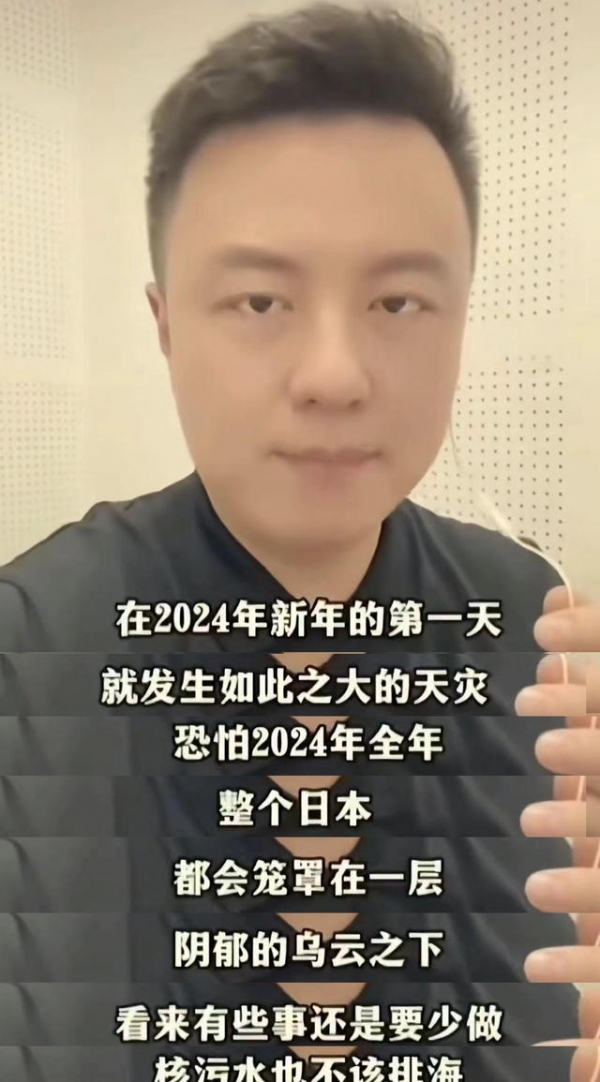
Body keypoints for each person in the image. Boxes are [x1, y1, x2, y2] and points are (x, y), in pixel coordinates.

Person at [0, 3, 598, 1080]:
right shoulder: (31, 640)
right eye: (261, 299)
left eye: (399, 301)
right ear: (166, 325)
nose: (334, 374)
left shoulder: (530, 622)